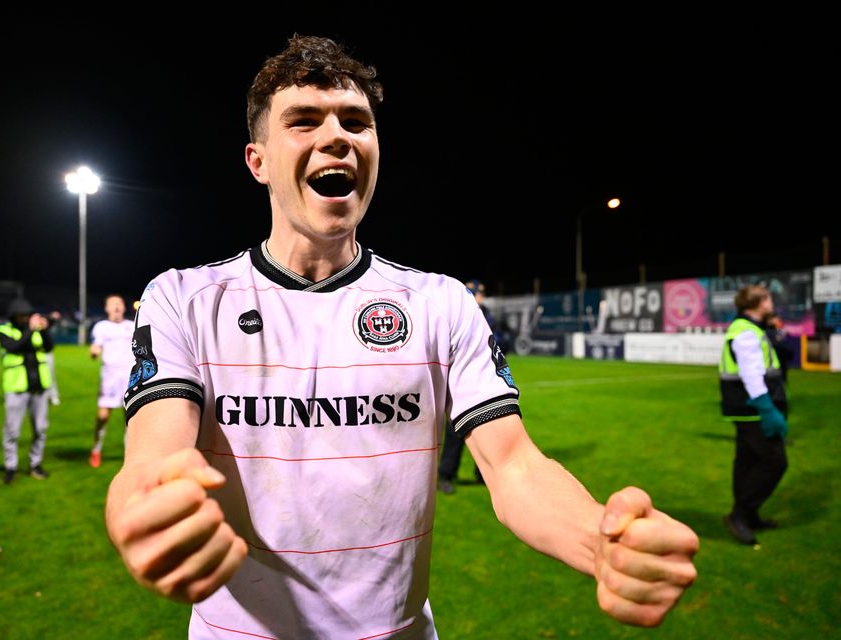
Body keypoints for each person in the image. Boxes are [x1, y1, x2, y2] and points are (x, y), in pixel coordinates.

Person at [105, 35, 698, 638]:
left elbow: (514, 465)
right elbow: (152, 459)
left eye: (356, 122)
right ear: (258, 161)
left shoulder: (440, 303)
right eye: (304, 121)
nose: (337, 137)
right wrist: (141, 509)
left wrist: (600, 542)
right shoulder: (185, 299)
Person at [719, 285, 788, 545]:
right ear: (757, 302)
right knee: (775, 462)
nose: (771, 303)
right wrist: (767, 409)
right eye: (768, 298)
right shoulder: (747, 332)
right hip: (754, 410)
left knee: (747, 461)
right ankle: (740, 515)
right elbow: (751, 375)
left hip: (747, 409)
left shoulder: (748, 328)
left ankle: (748, 515)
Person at [437, 279, 491, 494]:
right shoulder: (456, 312)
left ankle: (484, 473)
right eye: (480, 292)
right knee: (455, 433)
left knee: (488, 428)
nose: (482, 296)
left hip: (483, 379)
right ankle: (446, 475)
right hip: (457, 381)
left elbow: (498, 341)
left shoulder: (486, 314)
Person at [0, 298, 55, 484]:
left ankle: (35, 464)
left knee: (40, 429)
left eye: (27, 315)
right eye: (22, 315)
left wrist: (44, 330)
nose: (26, 318)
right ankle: (10, 467)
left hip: (39, 388)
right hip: (16, 389)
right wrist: (32, 329)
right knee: (12, 431)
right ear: (13, 316)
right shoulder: (3, 331)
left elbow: (49, 347)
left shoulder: (36, 331)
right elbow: (14, 347)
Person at [88, 295, 136, 468]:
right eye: (112, 304)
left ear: (124, 307)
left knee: (129, 419)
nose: (116, 307)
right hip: (109, 377)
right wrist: (94, 351)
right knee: (103, 416)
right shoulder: (101, 327)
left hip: (130, 377)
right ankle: (96, 448)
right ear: (106, 308)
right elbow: (96, 346)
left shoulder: (131, 326)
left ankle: (128, 457)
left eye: (119, 304)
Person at [765, 314, 794, 385]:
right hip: (774, 367)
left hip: (780, 365)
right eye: (777, 320)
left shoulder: (781, 333)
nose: (779, 322)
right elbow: (787, 349)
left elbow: (790, 351)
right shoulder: (771, 333)